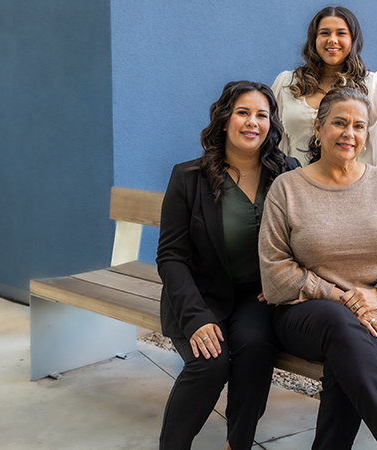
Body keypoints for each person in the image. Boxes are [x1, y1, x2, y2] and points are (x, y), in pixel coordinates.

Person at [258, 87, 377, 450]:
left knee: (346, 363)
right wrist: (342, 298)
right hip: (306, 314)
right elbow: (274, 271)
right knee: (341, 325)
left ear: (366, 134)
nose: (350, 133)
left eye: (359, 125)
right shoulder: (287, 189)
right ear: (318, 129)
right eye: (339, 122)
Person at [156, 80, 299, 450]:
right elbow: (171, 256)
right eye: (243, 113)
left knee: (254, 348)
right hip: (199, 296)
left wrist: (287, 281)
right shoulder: (188, 178)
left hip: (258, 296)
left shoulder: (287, 172)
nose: (252, 122)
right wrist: (196, 319)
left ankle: (239, 444)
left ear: (271, 125)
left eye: (262, 115)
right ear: (224, 120)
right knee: (210, 363)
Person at [272, 6, 377, 176]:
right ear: (314, 39)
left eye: (341, 33)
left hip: (354, 193)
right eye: (324, 33)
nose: (332, 40)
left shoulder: (376, 87)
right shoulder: (286, 84)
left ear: (353, 40)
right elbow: (274, 149)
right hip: (298, 191)